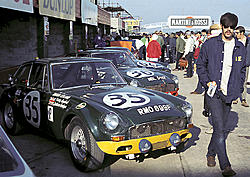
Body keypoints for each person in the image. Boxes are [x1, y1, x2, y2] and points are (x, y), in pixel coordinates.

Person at [197, 12, 246, 176]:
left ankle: (211, 153)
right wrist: (206, 81)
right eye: (226, 27)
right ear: (222, 26)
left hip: (229, 93)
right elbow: (200, 65)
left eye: (232, 27)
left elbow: (242, 71)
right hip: (213, 93)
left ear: (235, 29)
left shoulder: (240, 47)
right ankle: (225, 165)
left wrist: (239, 90)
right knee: (219, 127)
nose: (228, 30)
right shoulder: (210, 45)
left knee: (221, 128)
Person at [232, 26, 249, 107]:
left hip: (245, 63)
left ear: (242, 33)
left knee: (244, 81)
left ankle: (243, 99)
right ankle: (235, 97)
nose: (236, 34)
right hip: (236, 63)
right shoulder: (234, 41)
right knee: (235, 79)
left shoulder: (248, 41)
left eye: (237, 33)